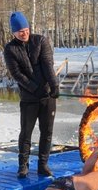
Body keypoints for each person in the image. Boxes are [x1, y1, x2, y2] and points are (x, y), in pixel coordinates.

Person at [4, 11, 59, 178]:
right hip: (29, 98)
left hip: (47, 96)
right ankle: (23, 165)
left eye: (26, 29)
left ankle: (43, 164)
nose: (24, 33)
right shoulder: (10, 49)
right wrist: (35, 88)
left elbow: (47, 65)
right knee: (26, 132)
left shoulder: (40, 41)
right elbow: (17, 74)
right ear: (13, 32)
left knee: (47, 131)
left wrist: (53, 85)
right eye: (20, 31)